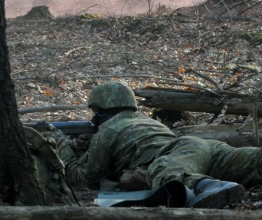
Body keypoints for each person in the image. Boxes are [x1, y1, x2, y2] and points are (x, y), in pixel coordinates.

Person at [58, 81, 262, 208]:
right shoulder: (144, 120)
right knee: (252, 160)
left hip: (177, 157)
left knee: (167, 176)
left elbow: (82, 177)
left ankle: (210, 186)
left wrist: (61, 145)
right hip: (203, 148)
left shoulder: (108, 130)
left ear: (100, 109)